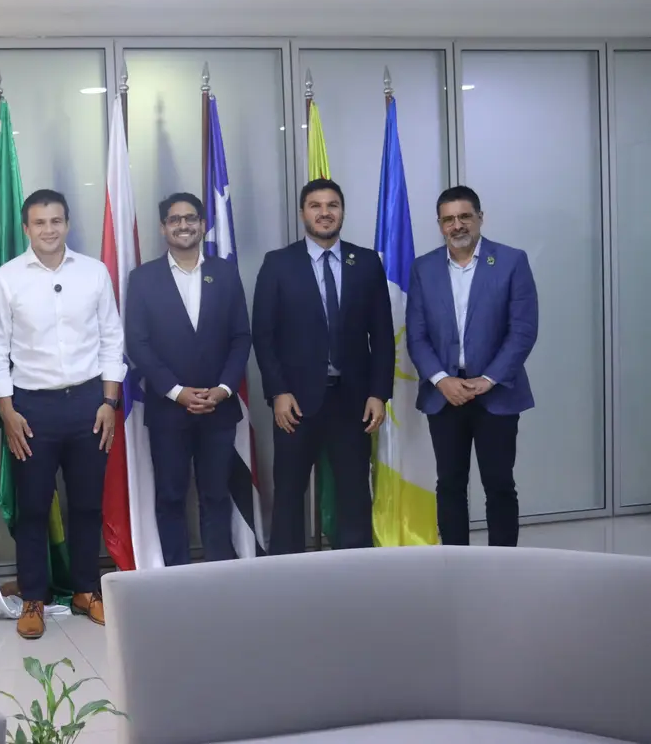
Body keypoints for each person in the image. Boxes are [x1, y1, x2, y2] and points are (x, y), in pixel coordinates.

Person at [0, 189, 125, 640]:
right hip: (32, 409)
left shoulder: (94, 272)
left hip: (89, 405)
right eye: (40, 222)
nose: (49, 229)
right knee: (32, 507)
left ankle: (86, 590)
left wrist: (109, 402)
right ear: (26, 228)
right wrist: (7, 412)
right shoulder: (7, 278)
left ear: (67, 224)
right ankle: (33, 597)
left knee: (86, 504)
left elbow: (112, 337)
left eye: (56, 221)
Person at [253, 178, 394, 554]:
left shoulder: (366, 263)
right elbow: (263, 336)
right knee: (289, 494)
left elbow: (382, 335)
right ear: (303, 213)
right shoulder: (278, 264)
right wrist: (278, 392)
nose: (325, 212)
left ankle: (354, 572)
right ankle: (286, 572)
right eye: (315, 206)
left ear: (342, 212)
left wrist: (378, 393)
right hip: (295, 404)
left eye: (332, 205)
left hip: (352, 402)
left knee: (354, 493)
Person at [124, 192, 251, 565]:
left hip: (218, 408)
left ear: (203, 225)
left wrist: (224, 389)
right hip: (168, 411)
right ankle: (175, 578)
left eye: (191, 218)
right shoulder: (143, 279)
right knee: (170, 497)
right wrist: (176, 392)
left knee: (216, 496)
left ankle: (218, 577)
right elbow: (138, 343)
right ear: (163, 227)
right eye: (175, 219)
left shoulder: (225, 273)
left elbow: (241, 336)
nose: (183, 225)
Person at [407, 185, 538, 546]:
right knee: (450, 484)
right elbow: (416, 335)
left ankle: (503, 563)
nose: (457, 225)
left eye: (465, 216)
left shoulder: (511, 261)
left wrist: (489, 378)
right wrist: (441, 379)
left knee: (499, 483)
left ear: (480, 218)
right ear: (440, 225)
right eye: (448, 219)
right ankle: (455, 563)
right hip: (444, 395)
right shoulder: (423, 268)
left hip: (496, 393)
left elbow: (523, 330)